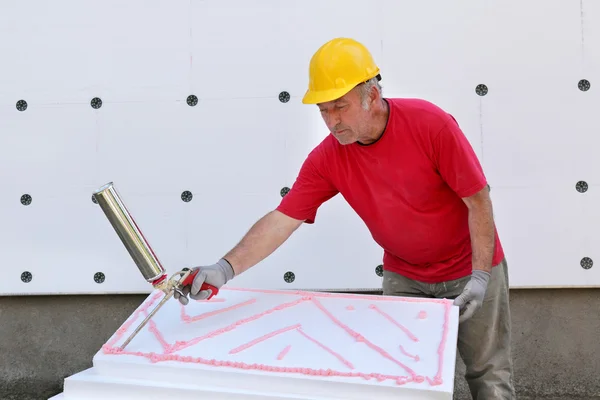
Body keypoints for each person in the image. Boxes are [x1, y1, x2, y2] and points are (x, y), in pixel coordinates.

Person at [174, 37, 516, 399]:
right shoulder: (329, 158)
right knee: (405, 379)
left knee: (487, 374)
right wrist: (224, 269)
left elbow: (477, 200)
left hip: (469, 267)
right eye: (323, 110)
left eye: (340, 107)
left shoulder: (430, 125)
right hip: (406, 275)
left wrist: (480, 276)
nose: (332, 121)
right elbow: (282, 219)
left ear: (372, 95)